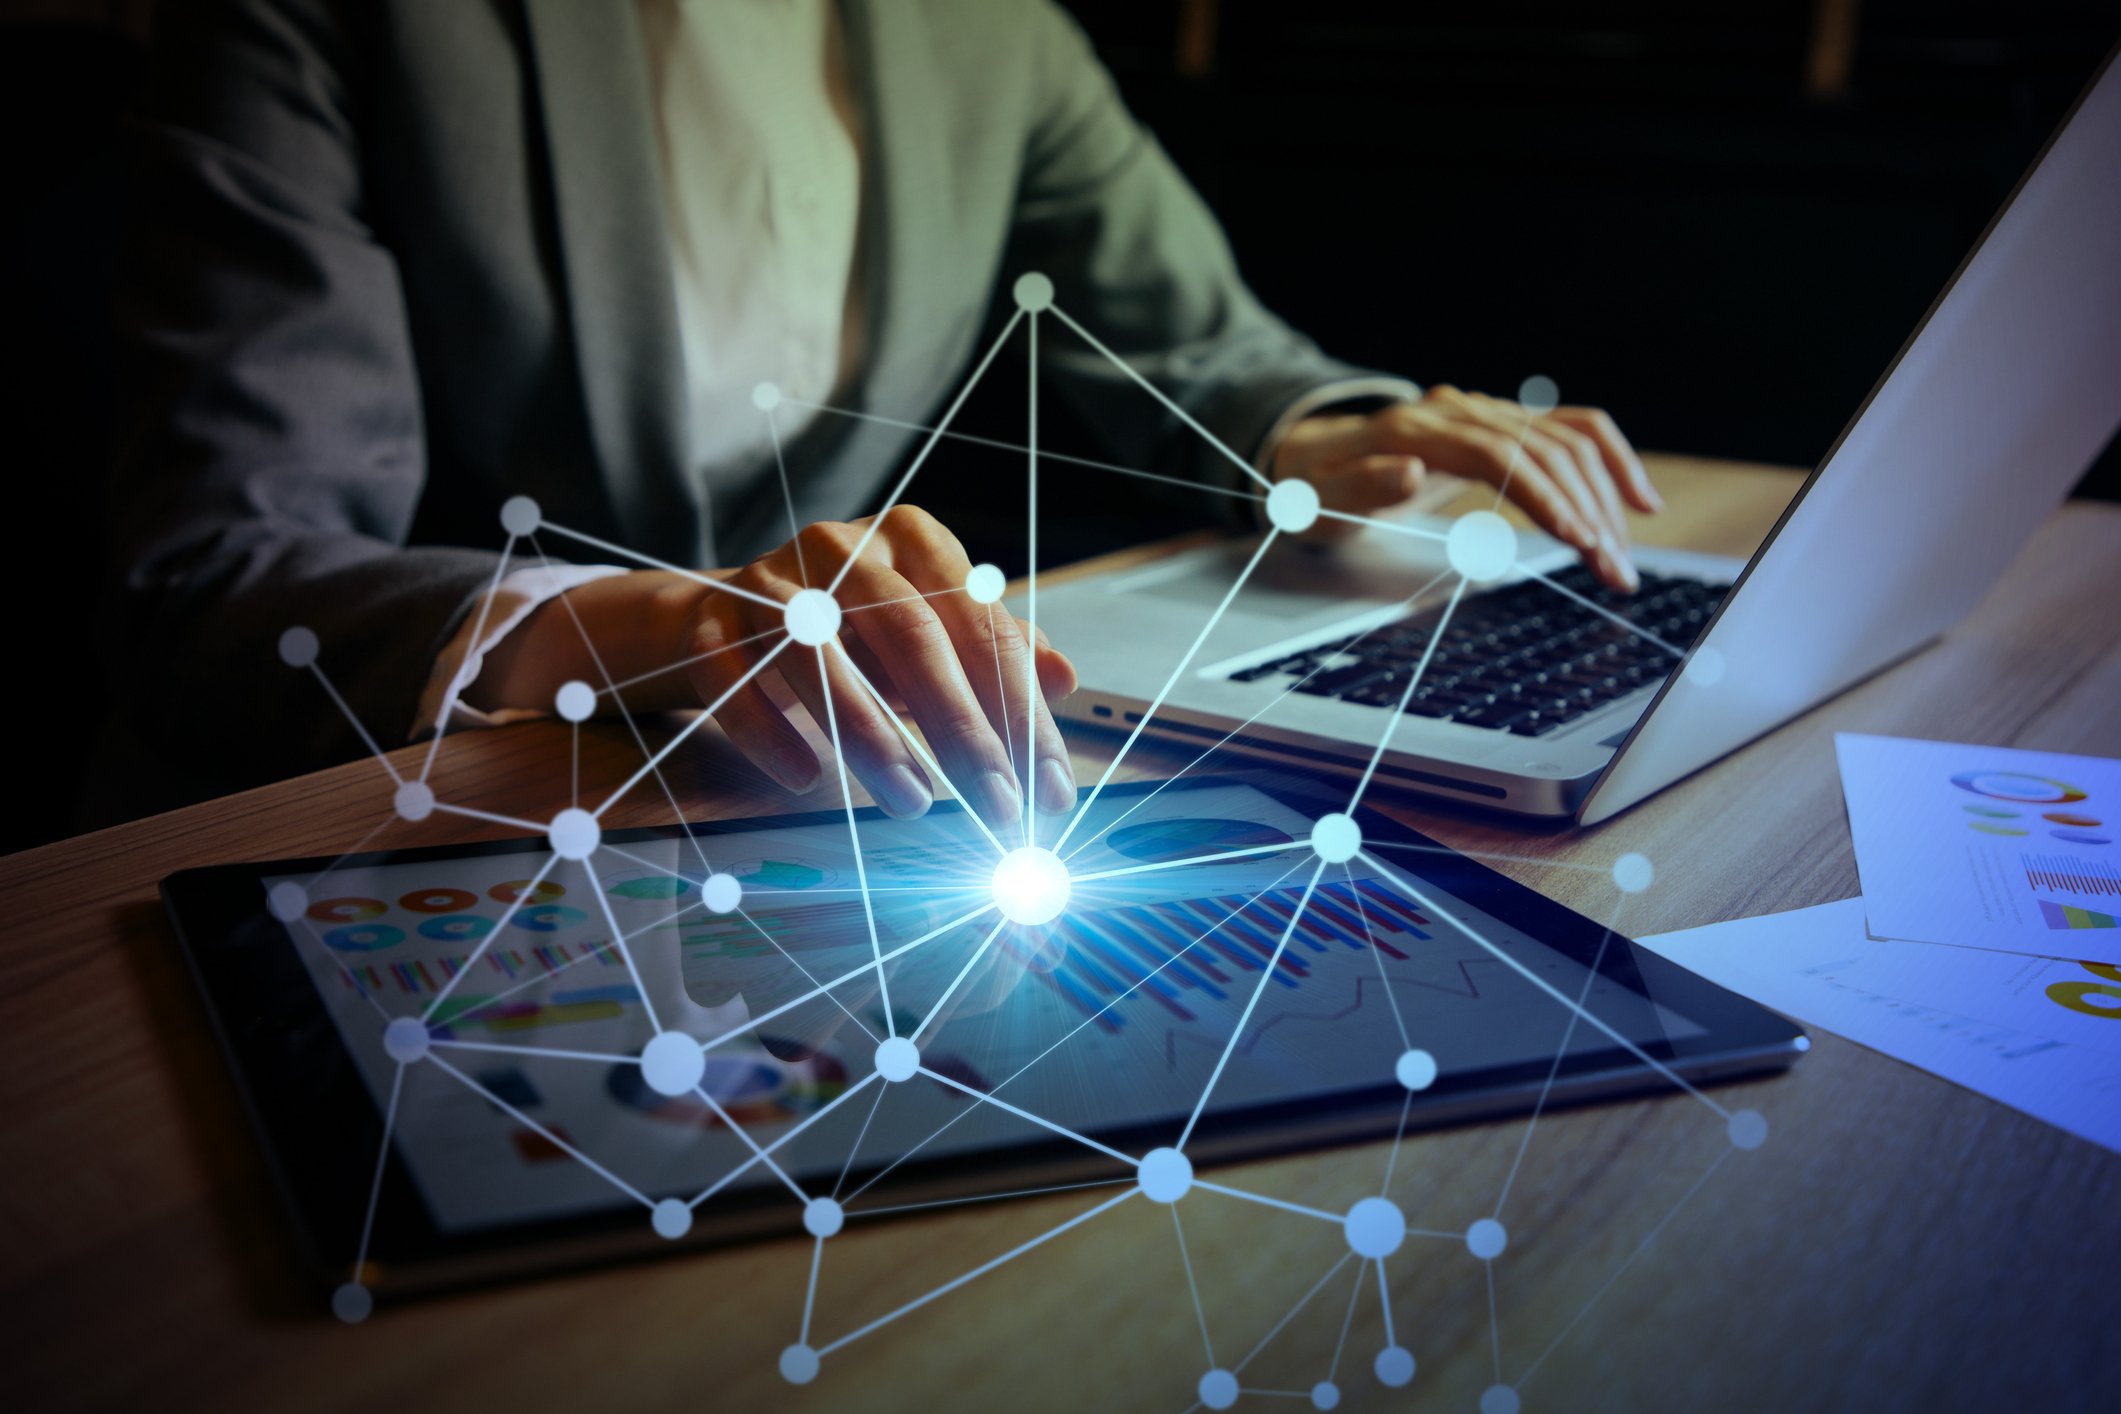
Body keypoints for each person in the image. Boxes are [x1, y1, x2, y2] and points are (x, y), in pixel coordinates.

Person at [103, 0, 1659, 827]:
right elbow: (218, 570)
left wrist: (1315, 438)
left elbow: (1200, 341)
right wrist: (659, 622)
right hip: (448, 810)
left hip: (855, 796)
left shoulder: (989, 29)